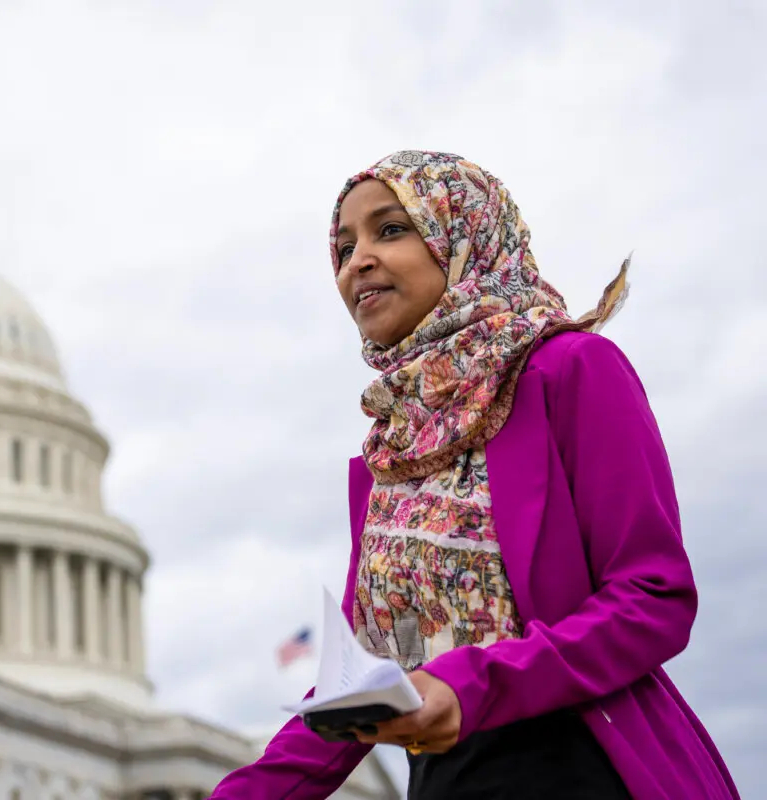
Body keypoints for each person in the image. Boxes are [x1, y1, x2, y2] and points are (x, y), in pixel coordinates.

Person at [209, 151, 739, 800]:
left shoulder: (572, 369)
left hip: (587, 771)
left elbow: (654, 596)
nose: (357, 262)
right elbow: (360, 687)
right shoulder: (391, 453)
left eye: (392, 229)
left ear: (465, 237)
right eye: (343, 248)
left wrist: (469, 687)